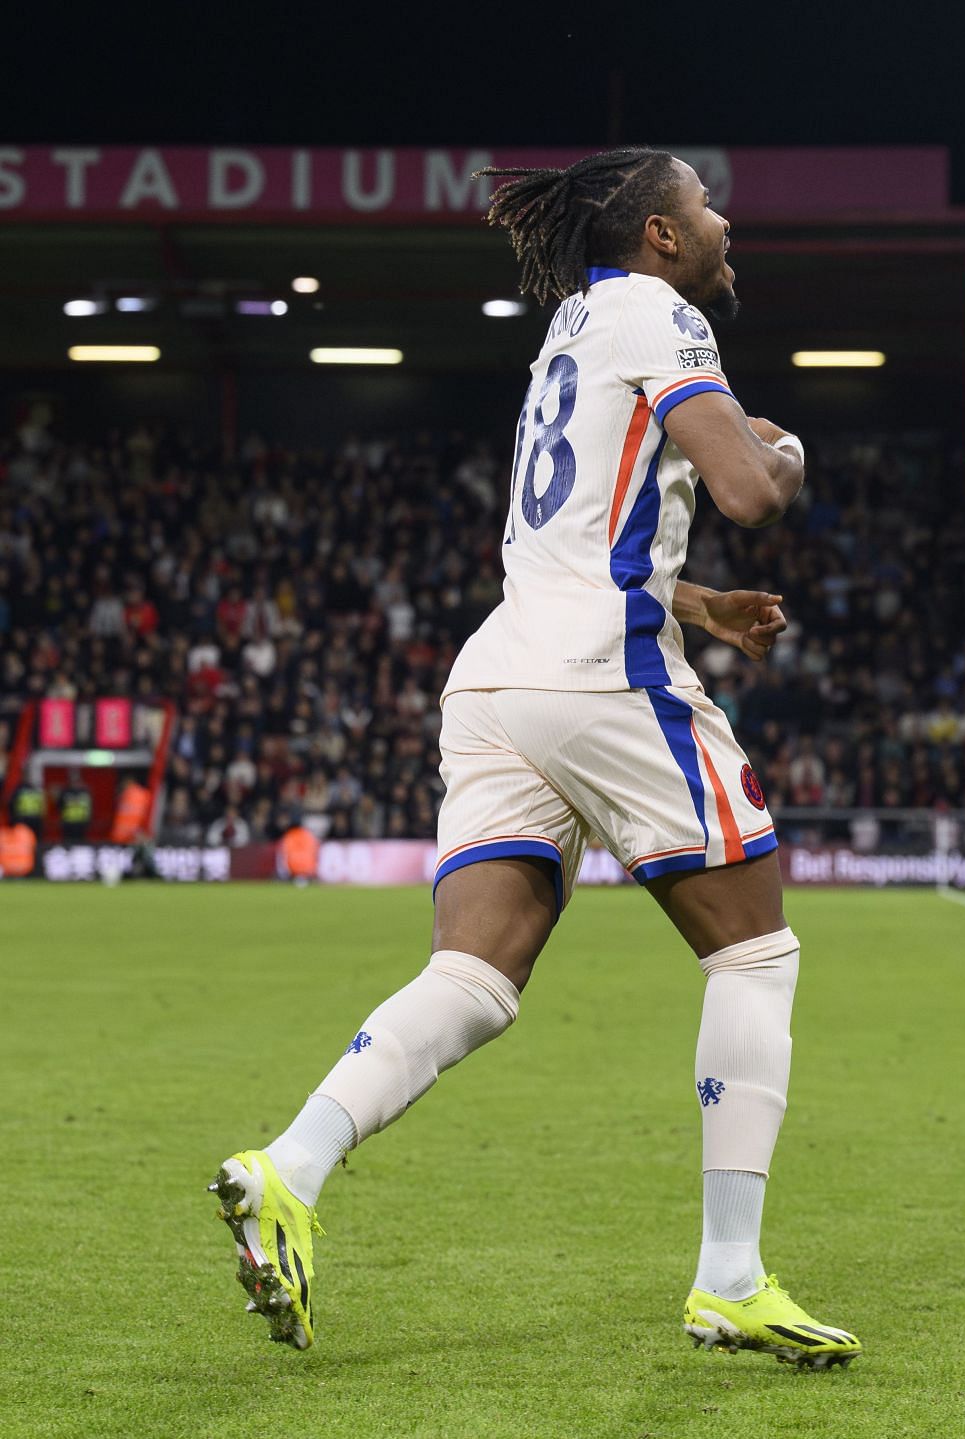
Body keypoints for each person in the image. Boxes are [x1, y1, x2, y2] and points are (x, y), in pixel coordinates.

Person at [208, 148, 858, 1368]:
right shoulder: (665, 315)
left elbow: (582, 531)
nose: (723, 221)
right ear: (660, 237)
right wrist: (789, 450)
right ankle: (728, 1274)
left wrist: (698, 602)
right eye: (703, 205)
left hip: (501, 673)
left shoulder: (569, 326)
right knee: (756, 949)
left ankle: (286, 1166)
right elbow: (750, 489)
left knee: (475, 976)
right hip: (601, 677)